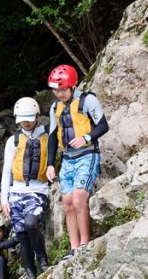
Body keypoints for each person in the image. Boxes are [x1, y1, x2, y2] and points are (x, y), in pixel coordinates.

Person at [45, 64, 109, 260]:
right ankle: (73, 247)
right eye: (56, 90)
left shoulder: (88, 100)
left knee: (79, 198)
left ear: (72, 86)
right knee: (67, 202)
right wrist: (49, 164)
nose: (59, 94)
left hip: (87, 154)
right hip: (68, 158)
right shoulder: (55, 107)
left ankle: (84, 244)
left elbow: (104, 125)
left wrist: (87, 138)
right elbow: (53, 137)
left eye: (62, 89)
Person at [1, 97, 51, 278]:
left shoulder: (47, 135)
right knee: (21, 232)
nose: (27, 122)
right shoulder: (13, 141)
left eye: (30, 118)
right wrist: (4, 199)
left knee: (31, 223)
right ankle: (30, 270)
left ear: (37, 116)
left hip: (38, 190)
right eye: (23, 119)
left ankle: (43, 259)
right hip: (17, 191)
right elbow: (7, 171)